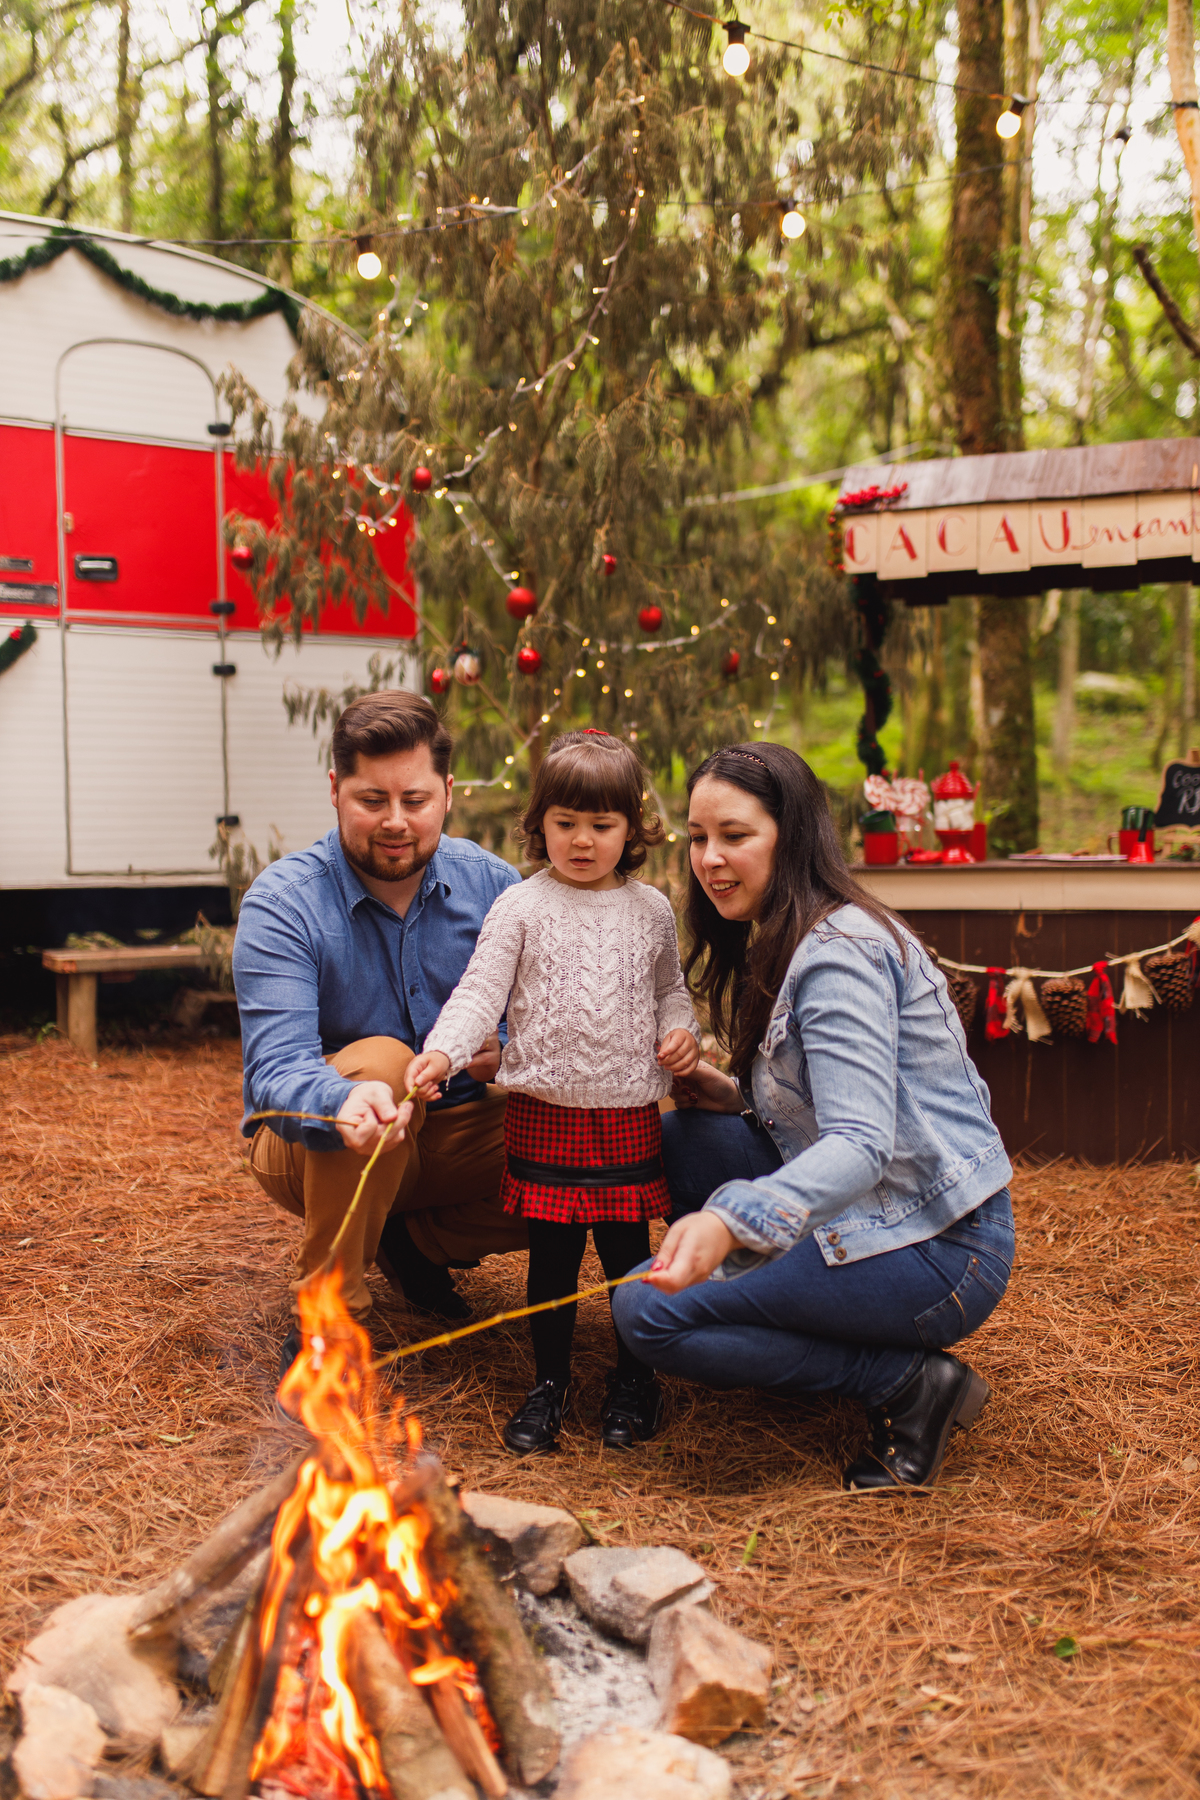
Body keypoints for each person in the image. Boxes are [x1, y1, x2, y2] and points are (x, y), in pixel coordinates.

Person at [612, 742, 1015, 1493]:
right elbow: (832, 1104)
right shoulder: (786, 932)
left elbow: (862, 1143)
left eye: (735, 835)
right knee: (662, 1142)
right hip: (880, 1205)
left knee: (644, 1311)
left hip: (936, 1244)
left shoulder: (839, 956)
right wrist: (732, 1095)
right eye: (699, 838)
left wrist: (731, 1223)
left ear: (790, 834)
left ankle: (904, 1383)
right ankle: (778, 1324)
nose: (710, 858)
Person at [402, 730, 701, 1453]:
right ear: (540, 824)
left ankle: (635, 1378)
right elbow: (481, 991)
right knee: (554, 1257)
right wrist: (441, 1050)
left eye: (602, 826)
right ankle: (549, 1383)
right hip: (544, 1113)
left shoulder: (651, 910)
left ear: (631, 829)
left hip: (627, 1112)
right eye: (566, 823)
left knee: (628, 1254)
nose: (583, 841)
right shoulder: (521, 906)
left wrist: (682, 1032)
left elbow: (672, 993)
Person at [233, 690, 529, 1375]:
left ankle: (414, 1244)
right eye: (372, 800)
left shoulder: (496, 888)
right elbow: (273, 1072)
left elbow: (546, 1027)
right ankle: (329, 1328)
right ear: (336, 790)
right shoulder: (285, 902)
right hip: (315, 1143)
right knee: (383, 1068)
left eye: (416, 800)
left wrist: (506, 1050)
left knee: (621, 1130)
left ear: (447, 793)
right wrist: (341, 1103)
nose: (396, 822)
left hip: (457, 1134)